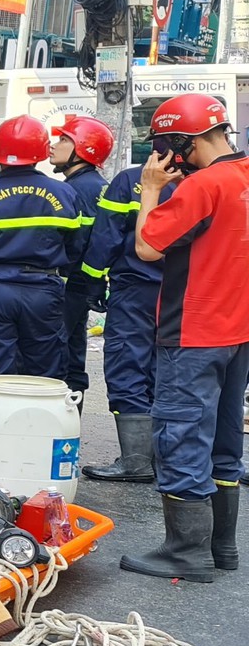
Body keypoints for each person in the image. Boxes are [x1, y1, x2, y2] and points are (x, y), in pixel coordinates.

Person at [121, 93, 249, 581]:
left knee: (180, 436)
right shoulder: (242, 177)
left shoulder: (202, 187)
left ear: (181, 141)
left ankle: (185, 552)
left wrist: (151, 189)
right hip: (238, 332)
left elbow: (148, 247)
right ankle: (222, 548)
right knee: (223, 438)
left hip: (194, 333)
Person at [0, 116, 85, 380]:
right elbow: (74, 248)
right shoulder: (65, 195)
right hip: (43, 292)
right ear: (41, 152)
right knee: (44, 375)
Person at [79, 151, 175, 483]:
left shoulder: (131, 180)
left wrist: (92, 279)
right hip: (183, 292)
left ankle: (136, 462)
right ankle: (168, 460)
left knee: (127, 364)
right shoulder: (202, 181)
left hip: (135, 288)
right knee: (169, 369)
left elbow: (106, 235)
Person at [48, 115, 112, 394]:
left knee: (52, 354)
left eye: (63, 140)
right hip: (85, 285)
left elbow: (73, 243)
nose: (54, 145)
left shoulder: (73, 190)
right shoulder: (98, 186)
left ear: (83, 149)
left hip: (68, 283)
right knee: (74, 355)